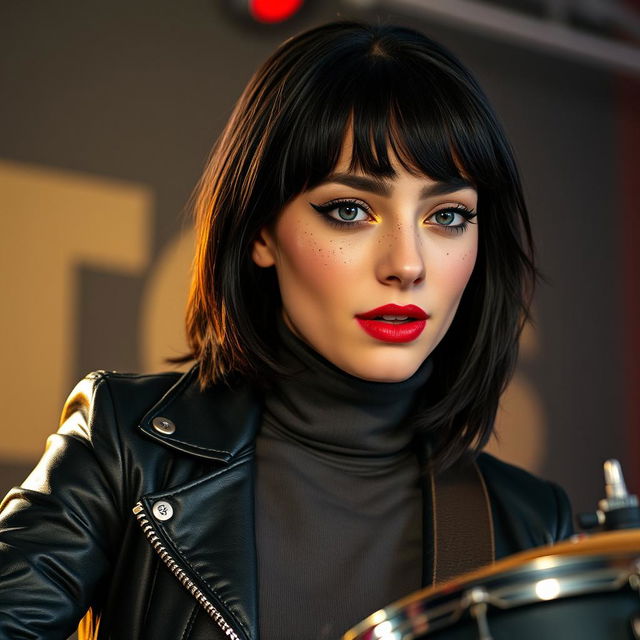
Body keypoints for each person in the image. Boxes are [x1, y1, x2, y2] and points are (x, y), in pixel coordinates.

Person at [0, 20, 573, 640]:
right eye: (350, 210)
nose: (407, 264)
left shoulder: (534, 527)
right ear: (261, 231)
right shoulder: (124, 444)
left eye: (448, 216)